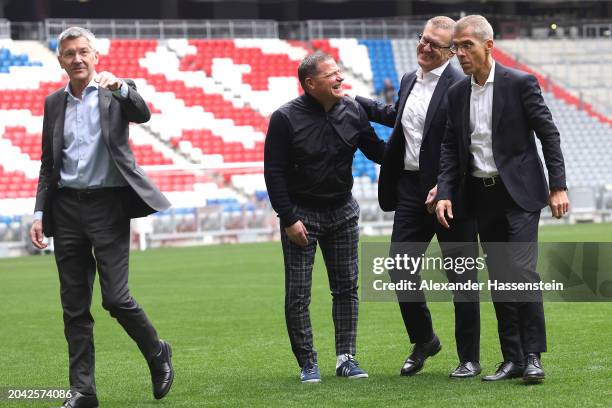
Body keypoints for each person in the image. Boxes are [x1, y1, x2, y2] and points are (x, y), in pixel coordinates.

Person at [29, 27, 174, 407]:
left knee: (115, 298)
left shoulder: (115, 90)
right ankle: (83, 392)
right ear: (60, 60)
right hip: (66, 209)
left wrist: (121, 88)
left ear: (96, 56)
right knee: (74, 306)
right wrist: (40, 212)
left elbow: (142, 113)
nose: (76, 59)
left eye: (83, 52)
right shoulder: (52, 103)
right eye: (69, 54)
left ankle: (157, 351)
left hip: (108, 206)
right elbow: (48, 163)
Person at [435, 15, 569, 383]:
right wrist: (445, 192)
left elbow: (549, 134)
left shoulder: (520, 83)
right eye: (456, 47)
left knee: (521, 273)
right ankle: (510, 359)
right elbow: (450, 148)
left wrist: (558, 185)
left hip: (520, 195)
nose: (459, 53)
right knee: (499, 279)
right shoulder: (456, 93)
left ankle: (532, 356)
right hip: (481, 198)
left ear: (488, 46)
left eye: (467, 46)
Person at [356, 16, 481, 378]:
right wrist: (360, 102)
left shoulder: (463, 85)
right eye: (423, 39)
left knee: (461, 276)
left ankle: (469, 357)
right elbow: (403, 119)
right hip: (411, 189)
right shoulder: (411, 78)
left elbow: (468, 143)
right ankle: (424, 339)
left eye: (435, 45)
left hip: (452, 193)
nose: (425, 48)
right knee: (399, 267)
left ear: (452, 52)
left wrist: (446, 185)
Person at [264, 52, 385, 383]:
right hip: (301, 215)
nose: (340, 79)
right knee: (299, 294)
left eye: (339, 73)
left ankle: (346, 358)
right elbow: (273, 172)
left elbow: (378, 152)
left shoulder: (355, 111)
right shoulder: (284, 118)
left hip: (343, 211)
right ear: (310, 83)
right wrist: (288, 219)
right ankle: (308, 363)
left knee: (346, 288)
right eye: (332, 75)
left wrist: (420, 148)